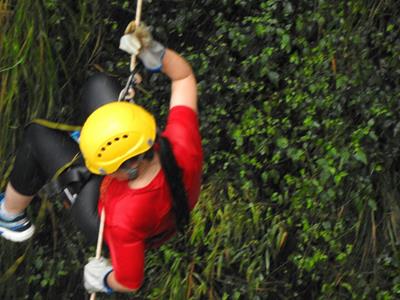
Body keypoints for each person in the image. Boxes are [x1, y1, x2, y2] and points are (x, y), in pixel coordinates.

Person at [0, 23, 203, 294]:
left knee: (37, 137)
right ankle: (91, 139)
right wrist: (155, 53)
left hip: (101, 215)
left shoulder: (122, 218)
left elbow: (130, 281)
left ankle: (10, 215)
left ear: (109, 171)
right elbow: (183, 78)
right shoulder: (179, 144)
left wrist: (104, 278)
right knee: (100, 85)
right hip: (150, 189)